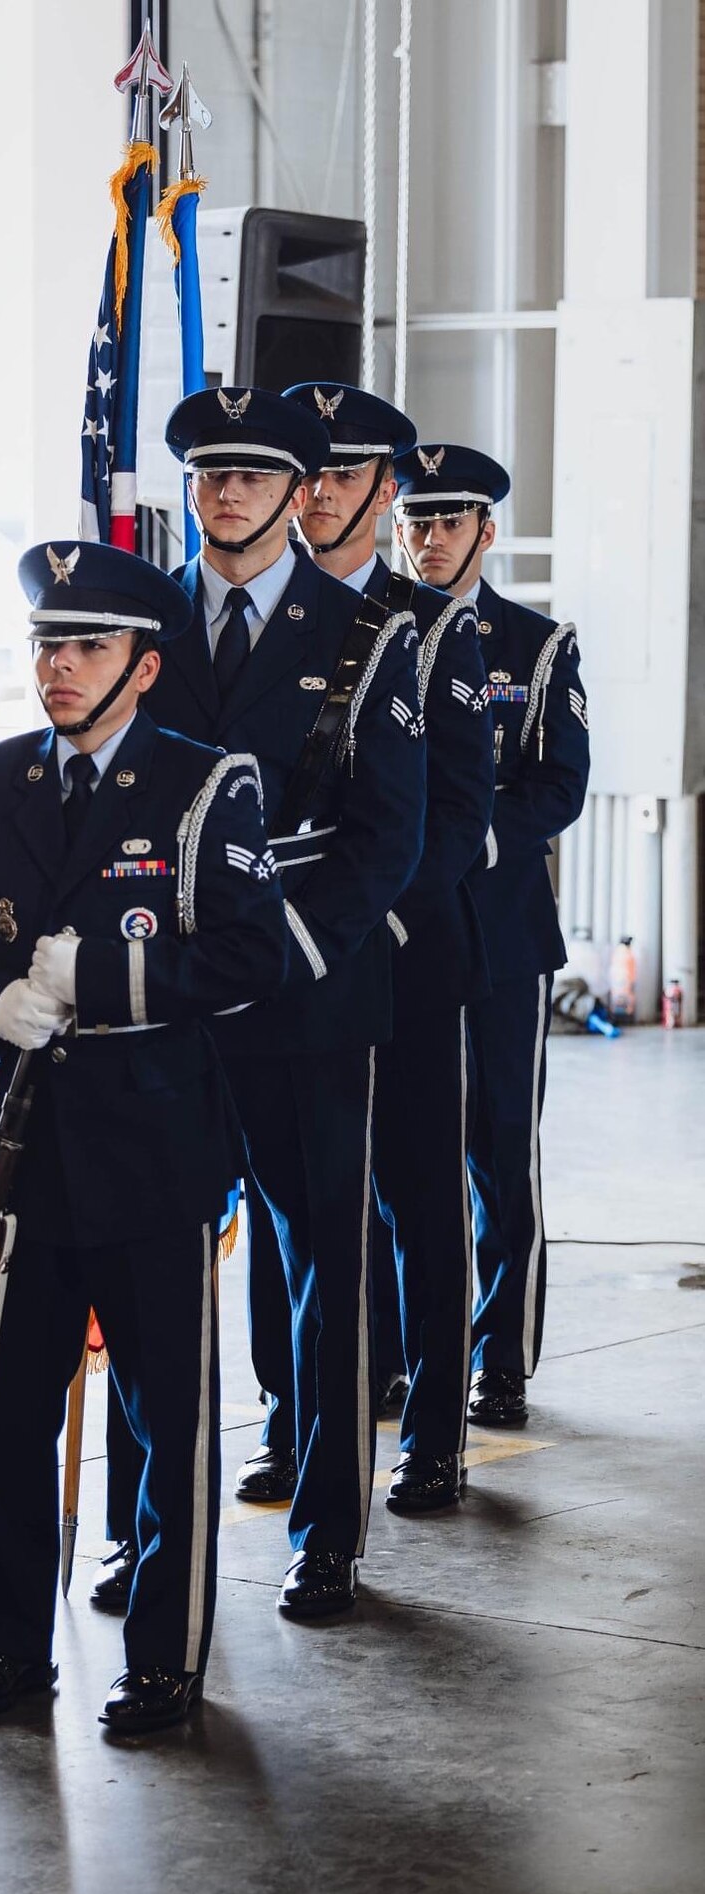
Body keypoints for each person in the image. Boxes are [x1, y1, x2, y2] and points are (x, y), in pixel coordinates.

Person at [0, 540, 288, 1732]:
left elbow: (250, 953)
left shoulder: (212, 785)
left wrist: (103, 973)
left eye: (89, 645)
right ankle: (7, 1652)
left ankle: (164, 1658)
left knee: (170, 1420)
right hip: (20, 1151)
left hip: (156, 1150)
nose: (59, 666)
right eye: (48, 643)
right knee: (9, 1418)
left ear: (146, 666)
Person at [141, 384, 427, 1616]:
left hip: (305, 991)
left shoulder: (366, 634)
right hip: (167, 1002)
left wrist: (289, 949)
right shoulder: (144, 623)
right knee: (150, 1268)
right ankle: (151, 1540)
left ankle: (327, 1530)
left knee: (323, 1258)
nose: (228, 495)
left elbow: (389, 836)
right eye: (211, 475)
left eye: (255, 477)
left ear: (299, 490)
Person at [277, 383, 494, 1511]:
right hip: (288, 962)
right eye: (304, 474)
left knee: (416, 1190)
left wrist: (367, 917)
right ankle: (296, 1412)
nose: (315, 496)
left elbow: (455, 811)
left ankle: (436, 1429)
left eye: (343, 476)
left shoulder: (430, 624)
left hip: (403, 953)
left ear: (386, 490)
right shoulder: (279, 617)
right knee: (302, 1207)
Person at [393, 444, 590, 1426]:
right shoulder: (370, 634)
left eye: (449, 520)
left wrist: (465, 835)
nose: (430, 538)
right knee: (393, 1152)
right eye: (416, 521)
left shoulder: (535, 644)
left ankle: (498, 1355)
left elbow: (559, 785)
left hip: (498, 931)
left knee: (499, 1148)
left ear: (486, 530)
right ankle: (396, 1351)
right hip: (388, 934)